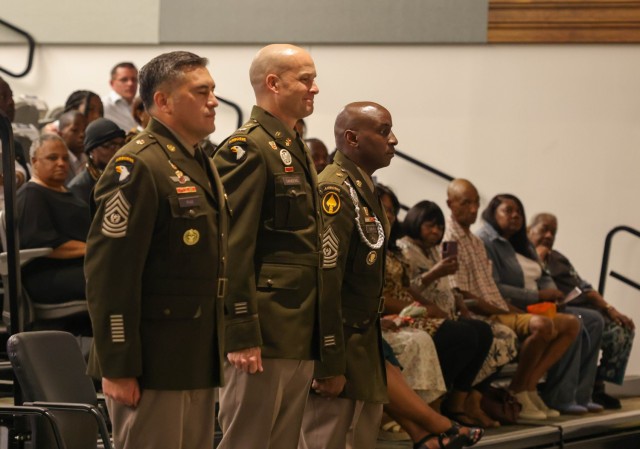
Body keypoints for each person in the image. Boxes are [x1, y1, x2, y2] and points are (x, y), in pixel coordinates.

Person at [85, 51, 228, 449]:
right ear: (163, 101)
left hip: (195, 352)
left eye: (213, 91)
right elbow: (110, 273)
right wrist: (118, 365)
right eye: (201, 92)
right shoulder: (137, 166)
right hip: (152, 360)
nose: (213, 100)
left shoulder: (198, 160)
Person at [212, 44, 335, 449]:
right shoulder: (247, 148)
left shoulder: (293, 145)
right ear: (273, 83)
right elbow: (233, 245)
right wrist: (241, 329)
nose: (314, 88)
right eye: (306, 79)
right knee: (247, 439)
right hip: (264, 329)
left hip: (296, 325)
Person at [299, 101, 395, 449]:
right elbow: (326, 282)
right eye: (384, 132)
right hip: (339, 340)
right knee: (326, 439)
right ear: (352, 138)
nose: (394, 140)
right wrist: (328, 363)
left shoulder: (362, 186)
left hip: (362, 342)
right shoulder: (335, 191)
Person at [444, 179, 579, 420]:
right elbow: (460, 292)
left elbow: (493, 290)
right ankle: (516, 390)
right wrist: (516, 311)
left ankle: (527, 387)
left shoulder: (474, 242)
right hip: (477, 312)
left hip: (497, 306)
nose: (473, 209)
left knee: (571, 323)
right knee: (542, 325)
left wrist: (515, 310)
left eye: (476, 202)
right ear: (450, 204)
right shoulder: (450, 238)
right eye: (466, 203)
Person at [477, 193, 604, 415]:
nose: (515, 215)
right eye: (508, 210)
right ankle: (553, 393)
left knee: (591, 320)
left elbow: (544, 274)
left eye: (519, 212)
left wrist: (549, 292)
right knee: (575, 321)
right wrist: (537, 295)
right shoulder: (487, 241)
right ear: (492, 213)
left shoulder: (522, 243)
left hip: (540, 305)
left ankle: (538, 388)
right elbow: (495, 287)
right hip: (514, 306)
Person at [398, 200, 501, 428]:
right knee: (462, 336)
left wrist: (462, 307)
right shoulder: (404, 249)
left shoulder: (435, 250)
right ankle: (431, 403)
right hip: (419, 314)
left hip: (445, 313)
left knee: (483, 331)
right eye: (430, 226)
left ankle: (457, 403)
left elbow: (449, 286)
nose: (436, 231)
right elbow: (407, 288)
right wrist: (434, 274)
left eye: (440, 227)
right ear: (416, 222)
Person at [528, 212, 635, 409]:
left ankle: (589, 391)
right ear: (529, 230)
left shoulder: (558, 258)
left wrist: (611, 309)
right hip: (552, 309)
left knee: (621, 327)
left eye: (554, 232)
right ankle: (565, 395)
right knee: (586, 321)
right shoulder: (525, 255)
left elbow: (584, 287)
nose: (549, 236)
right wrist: (539, 260)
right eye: (544, 229)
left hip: (581, 306)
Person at [17, 134, 89, 324]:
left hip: (80, 266)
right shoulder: (32, 195)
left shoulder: (69, 193)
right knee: (113, 276)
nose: (61, 163)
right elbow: (44, 243)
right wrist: (94, 248)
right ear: (34, 162)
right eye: (52, 158)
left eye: (65, 158)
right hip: (48, 274)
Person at [68, 118, 125, 204]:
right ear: (91, 151)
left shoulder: (128, 175)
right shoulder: (79, 188)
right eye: (110, 145)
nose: (118, 150)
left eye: (121, 144)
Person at [0, 76, 28, 202]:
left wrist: (9, 179)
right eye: (3, 97)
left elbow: (23, 174)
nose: (11, 102)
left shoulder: (12, 142)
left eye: (11, 96)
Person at [102, 62, 139, 131]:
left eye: (134, 79)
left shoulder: (144, 106)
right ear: (112, 83)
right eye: (124, 80)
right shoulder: (103, 106)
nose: (130, 84)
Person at [57, 110, 87, 180]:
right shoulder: (58, 163)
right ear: (60, 134)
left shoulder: (89, 157)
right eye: (75, 130)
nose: (82, 134)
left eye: (84, 130)